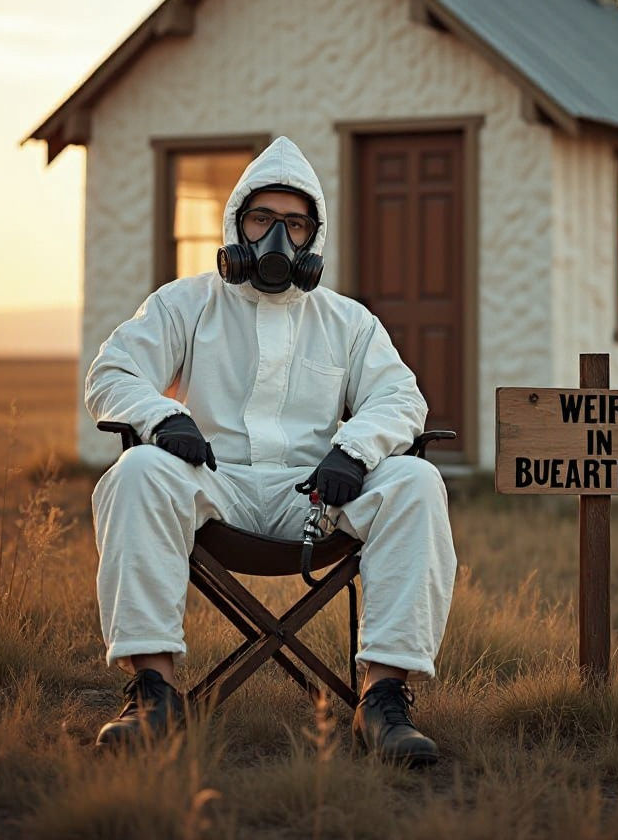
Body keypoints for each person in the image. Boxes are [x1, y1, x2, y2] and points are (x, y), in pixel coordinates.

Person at [86, 135, 457, 766]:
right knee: (138, 469)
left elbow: (401, 399)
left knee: (417, 482)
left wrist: (354, 451)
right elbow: (112, 373)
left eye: (294, 224)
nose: (276, 239)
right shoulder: (185, 303)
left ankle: (383, 702)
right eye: (262, 219)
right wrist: (162, 416)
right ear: (236, 224)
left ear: (314, 239)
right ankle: (154, 693)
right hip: (213, 488)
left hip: (311, 497)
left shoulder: (348, 321)